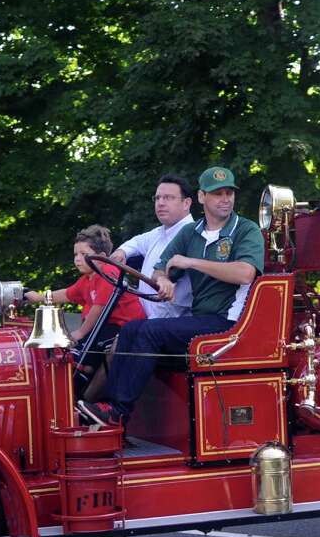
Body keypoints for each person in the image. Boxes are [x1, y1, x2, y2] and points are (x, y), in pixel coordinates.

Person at [80, 166, 265, 426]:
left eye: (228, 193)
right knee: (132, 329)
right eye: (217, 194)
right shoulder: (190, 233)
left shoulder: (246, 230)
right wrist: (164, 280)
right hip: (202, 320)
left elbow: (245, 273)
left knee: (149, 332)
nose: (225, 199)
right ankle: (108, 408)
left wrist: (192, 262)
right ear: (202, 197)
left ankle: (118, 413)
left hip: (230, 324)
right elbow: (161, 267)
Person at [24, 225, 146, 374]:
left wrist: (81, 332)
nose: (77, 259)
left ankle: (81, 380)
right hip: (106, 325)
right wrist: (38, 297)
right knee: (82, 342)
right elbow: (67, 294)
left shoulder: (108, 272)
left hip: (124, 327)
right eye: (76, 254)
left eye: (83, 254)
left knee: (86, 348)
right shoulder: (88, 278)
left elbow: (99, 308)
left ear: (101, 257)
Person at [111, 174, 196, 318]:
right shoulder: (159, 232)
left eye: (168, 198)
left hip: (171, 321)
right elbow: (136, 242)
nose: (161, 203)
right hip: (147, 317)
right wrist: (122, 252)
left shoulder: (195, 235)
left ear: (186, 203)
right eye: (157, 198)